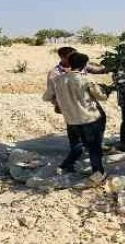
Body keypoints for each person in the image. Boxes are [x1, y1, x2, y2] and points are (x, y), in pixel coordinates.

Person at [42, 52, 109, 185]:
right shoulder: (86, 80)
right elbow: (102, 97)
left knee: (77, 144)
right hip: (88, 119)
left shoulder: (58, 80)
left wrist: (61, 100)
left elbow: (46, 97)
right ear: (84, 65)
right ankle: (99, 173)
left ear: (70, 63)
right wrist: (106, 90)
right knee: (94, 148)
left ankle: (66, 165)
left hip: (71, 120)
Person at [48, 46, 107, 114]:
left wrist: (112, 66)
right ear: (63, 57)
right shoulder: (55, 73)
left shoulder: (80, 65)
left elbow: (99, 70)